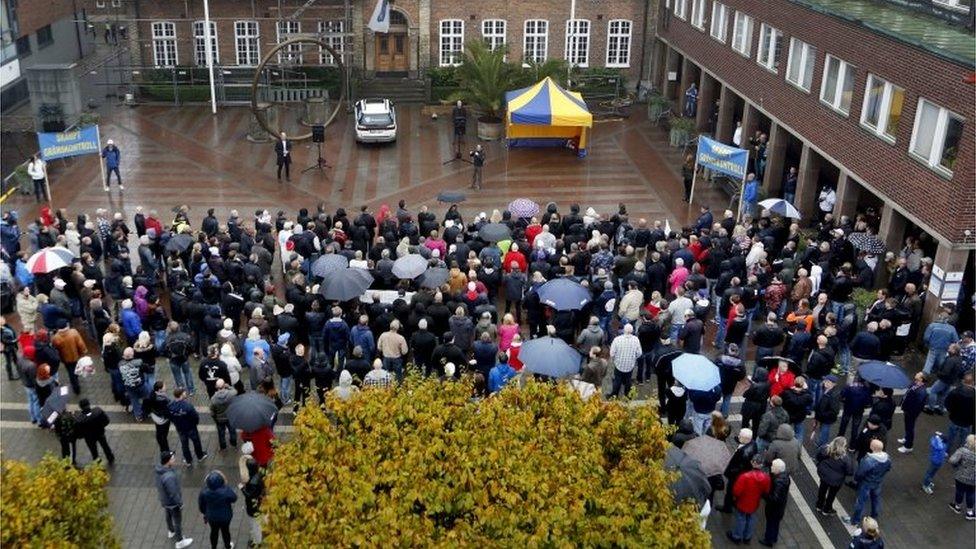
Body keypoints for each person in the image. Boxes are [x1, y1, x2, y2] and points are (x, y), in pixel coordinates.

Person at [726, 455, 771, 544]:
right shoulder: (766, 478)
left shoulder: (745, 476)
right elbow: (766, 490)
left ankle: (737, 536)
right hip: (755, 502)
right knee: (751, 518)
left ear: (752, 462)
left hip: (743, 501)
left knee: (741, 518)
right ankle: (747, 537)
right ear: (761, 465)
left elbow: (736, 491)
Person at [850, 439, 891, 531]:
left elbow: (861, 472)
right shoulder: (887, 458)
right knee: (875, 499)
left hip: (866, 483)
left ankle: (855, 520)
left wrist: (856, 479)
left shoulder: (869, 460)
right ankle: (874, 517)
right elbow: (888, 468)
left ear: (872, 447)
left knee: (861, 502)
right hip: (878, 482)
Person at [155, 451, 194, 549]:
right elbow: (173, 493)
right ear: (167, 461)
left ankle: (171, 531)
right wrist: (180, 503)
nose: (174, 459)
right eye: (172, 458)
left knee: (168, 515)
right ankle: (180, 541)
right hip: (173, 503)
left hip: (165, 500)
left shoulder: (159, 469)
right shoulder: (169, 477)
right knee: (177, 521)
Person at [718, 427, 757, 513]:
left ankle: (727, 507)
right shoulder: (753, 444)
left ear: (745, 439)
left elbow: (738, 466)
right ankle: (734, 503)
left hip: (736, 475)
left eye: (740, 436)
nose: (738, 436)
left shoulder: (743, 452)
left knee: (730, 491)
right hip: (743, 474)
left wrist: (730, 472)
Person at [168, 387, 208, 466]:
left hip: (180, 429)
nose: (185, 393)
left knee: (184, 444)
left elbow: (170, 417)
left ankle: (188, 460)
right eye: (184, 392)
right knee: (196, 442)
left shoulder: (170, 406)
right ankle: (200, 456)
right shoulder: (188, 406)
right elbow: (195, 417)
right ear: (181, 395)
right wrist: (195, 424)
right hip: (191, 428)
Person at [198, 470, 237, 549]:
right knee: (226, 532)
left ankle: (213, 547)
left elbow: (201, 505)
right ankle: (227, 546)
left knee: (213, 532)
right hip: (225, 516)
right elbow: (234, 498)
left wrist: (205, 513)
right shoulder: (225, 491)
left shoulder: (204, 492)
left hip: (212, 517)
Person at [815, 437, 853, 515]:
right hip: (836, 480)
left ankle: (819, 505)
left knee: (822, 489)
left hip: (824, 475)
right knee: (832, 494)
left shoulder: (825, 449)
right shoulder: (845, 458)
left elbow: (818, 456)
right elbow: (850, 472)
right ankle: (827, 509)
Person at [759, 458, 790, 547]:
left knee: (771, 524)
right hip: (780, 508)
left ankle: (768, 540)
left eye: (773, 466)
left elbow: (774, 498)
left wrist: (764, 495)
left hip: (774, 509)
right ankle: (774, 537)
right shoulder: (785, 477)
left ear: (777, 469)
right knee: (775, 524)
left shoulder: (778, 482)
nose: (771, 468)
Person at [607, 323, 640, 398]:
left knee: (617, 380)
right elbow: (639, 353)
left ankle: (614, 396)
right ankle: (627, 396)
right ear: (632, 331)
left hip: (619, 365)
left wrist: (615, 358)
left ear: (623, 330)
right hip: (630, 365)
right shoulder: (636, 340)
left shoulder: (617, 339)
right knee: (628, 381)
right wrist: (633, 358)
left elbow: (612, 354)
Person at [897, 372, 928, 453]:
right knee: (907, 426)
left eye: (919, 373)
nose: (917, 373)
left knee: (910, 428)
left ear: (921, 379)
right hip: (907, 410)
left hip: (911, 412)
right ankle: (907, 438)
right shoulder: (915, 384)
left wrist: (909, 411)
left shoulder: (921, 392)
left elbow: (917, 405)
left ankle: (908, 446)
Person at [947, 434, 976, 520]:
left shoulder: (963, 451)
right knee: (971, 494)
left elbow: (952, 460)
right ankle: (969, 512)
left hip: (960, 476)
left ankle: (957, 506)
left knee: (959, 491)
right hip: (973, 479)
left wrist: (956, 466)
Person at [77, 398, 114, 464]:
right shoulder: (98, 411)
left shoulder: (80, 419)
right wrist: (101, 426)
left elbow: (79, 433)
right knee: (105, 446)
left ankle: (97, 462)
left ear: (81, 407)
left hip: (89, 438)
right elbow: (107, 421)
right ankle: (110, 457)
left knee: (93, 451)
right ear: (89, 404)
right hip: (100, 433)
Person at [239, 453, 265, 545]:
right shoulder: (259, 474)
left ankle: (257, 542)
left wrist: (242, 488)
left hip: (253, 508)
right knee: (260, 521)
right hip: (260, 502)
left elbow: (249, 495)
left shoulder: (253, 482)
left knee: (254, 526)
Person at [812, 375, 841, 448]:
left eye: (828, 382)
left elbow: (835, 411)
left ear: (834, 384)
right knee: (822, 433)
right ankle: (821, 446)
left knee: (823, 435)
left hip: (826, 420)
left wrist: (821, 415)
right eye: (825, 381)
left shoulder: (834, 395)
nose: (826, 383)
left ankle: (822, 449)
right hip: (822, 418)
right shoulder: (825, 389)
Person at [209, 379, 237, 451]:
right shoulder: (231, 394)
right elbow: (235, 391)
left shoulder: (213, 398)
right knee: (232, 431)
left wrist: (215, 419)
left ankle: (223, 447)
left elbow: (212, 412)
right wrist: (229, 387)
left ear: (216, 387)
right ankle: (234, 444)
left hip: (220, 419)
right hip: (230, 417)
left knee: (221, 433)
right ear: (224, 385)